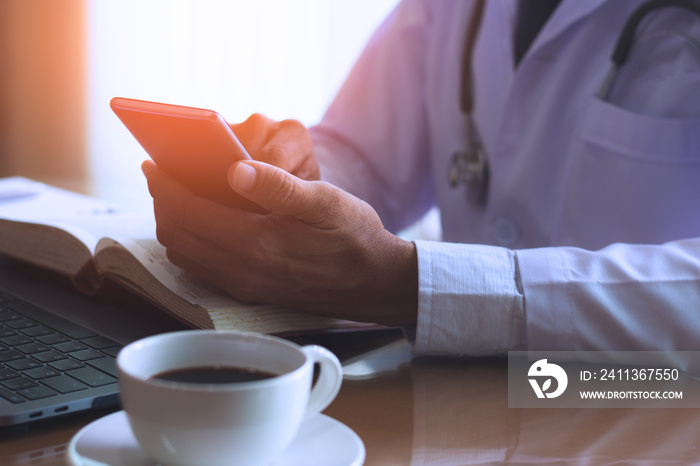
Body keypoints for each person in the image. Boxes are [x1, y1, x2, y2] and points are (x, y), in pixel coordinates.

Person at [142, 0, 700, 356]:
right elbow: (369, 155)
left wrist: (409, 286)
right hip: (472, 395)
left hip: (653, 400)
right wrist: (302, 179)